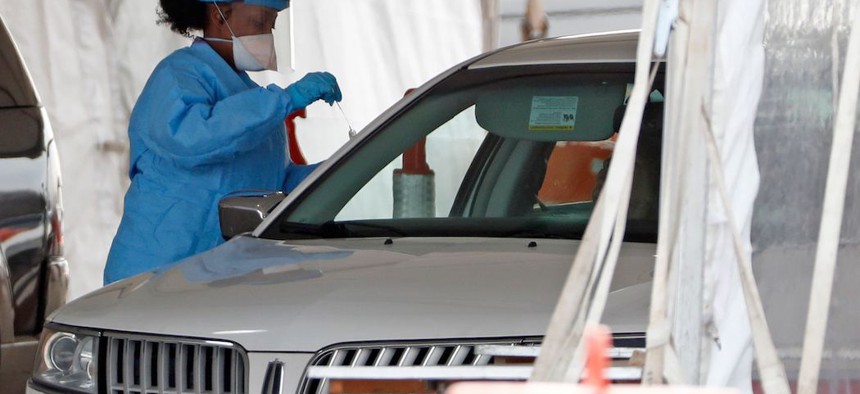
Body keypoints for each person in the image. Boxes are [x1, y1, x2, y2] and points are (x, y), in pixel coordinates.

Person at [104, 0, 342, 284]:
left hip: (214, 277)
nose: (268, 34)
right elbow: (195, 138)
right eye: (259, 22)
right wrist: (285, 99)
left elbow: (271, 182)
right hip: (152, 273)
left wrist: (344, 169)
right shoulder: (178, 75)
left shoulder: (254, 96)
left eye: (273, 24)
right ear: (220, 14)